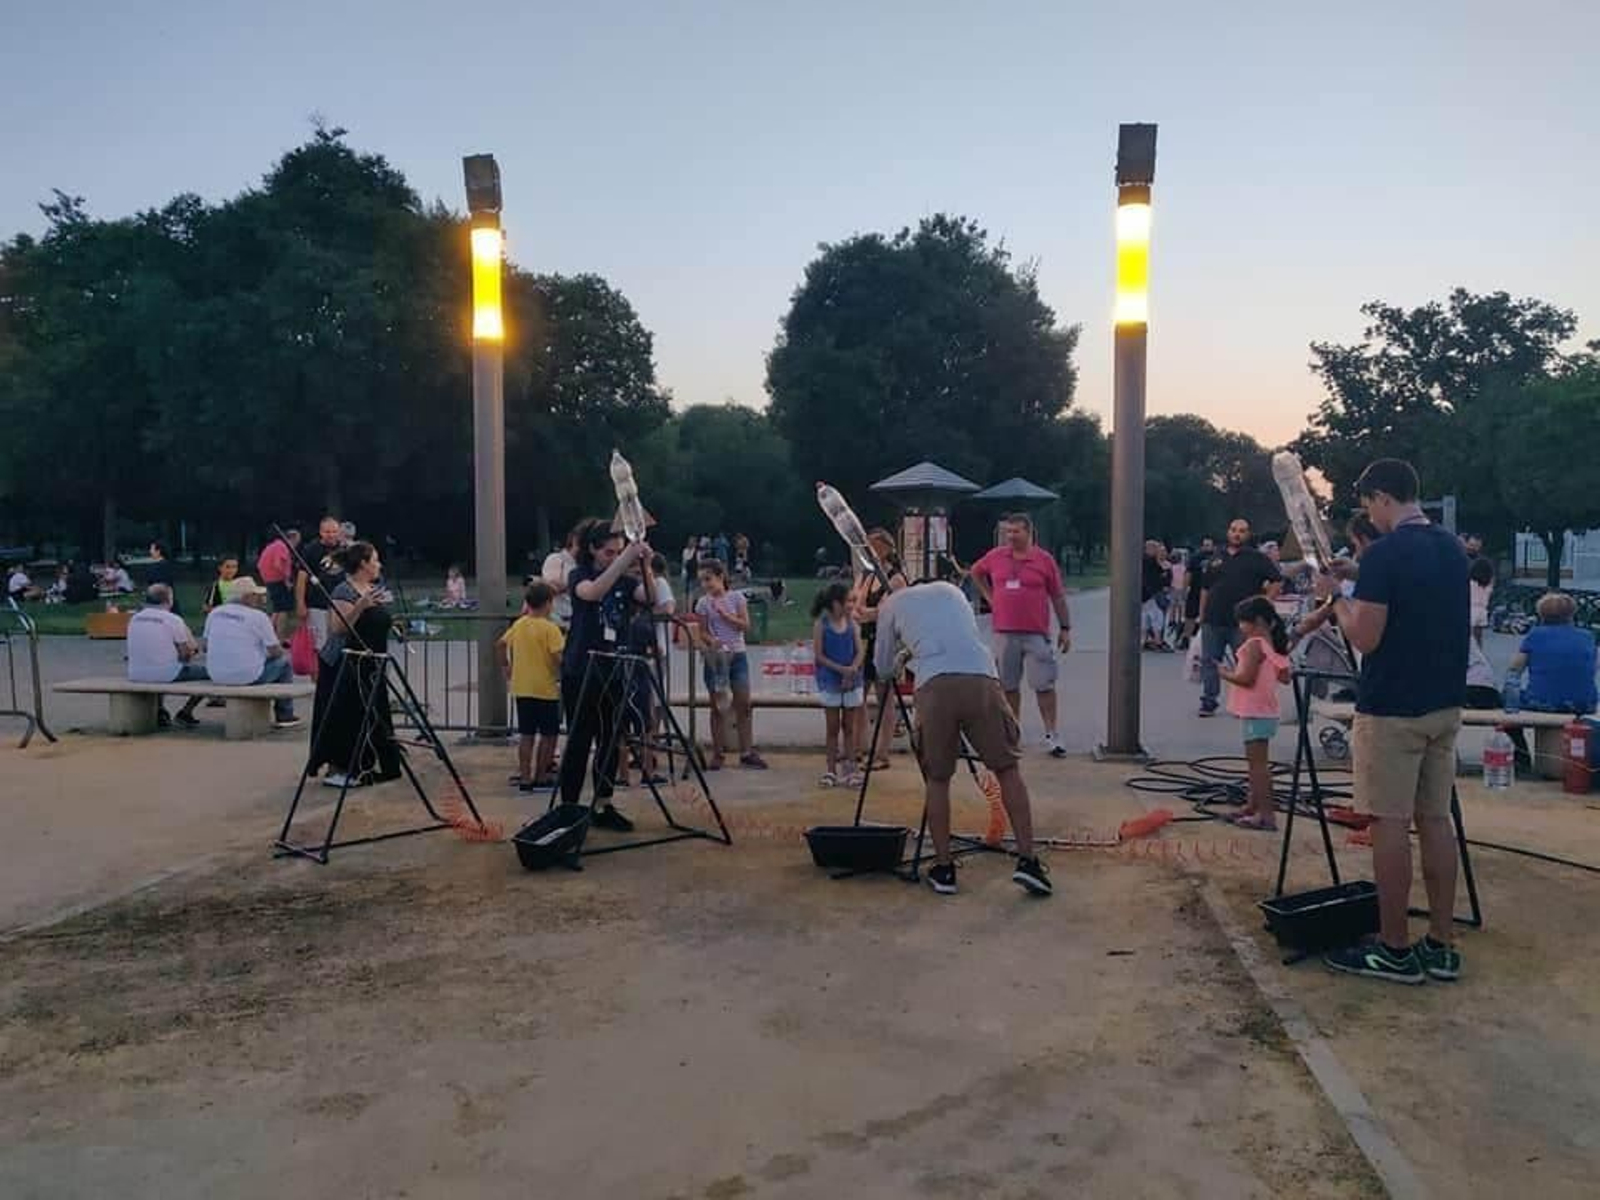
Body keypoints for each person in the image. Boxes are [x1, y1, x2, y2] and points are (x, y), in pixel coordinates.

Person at [1317, 459, 1467, 985]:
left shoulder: (1384, 553)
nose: (1370, 516)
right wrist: (1357, 575)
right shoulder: (1451, 546)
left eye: (1369, 505)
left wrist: (1335, 598)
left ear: (1382, 497)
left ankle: (1394, 948)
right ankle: (1442, 944)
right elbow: (1413, 589)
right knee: (1436, 821)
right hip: (1444, 705)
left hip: (1392, 709)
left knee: (1389, 823)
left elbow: (1365, 636)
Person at [874, 580, 1052, 898]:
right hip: (980, 675)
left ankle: (944, 868)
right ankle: (1028, 860)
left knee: (937, 778)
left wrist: (904, 655)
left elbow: (883, 668)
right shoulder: (951, 591)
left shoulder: (890, 605)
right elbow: (959, 634)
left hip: (934, 683)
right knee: (1007, 768)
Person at [557, 521, 656, 829]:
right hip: (581, 670)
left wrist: (645, 565)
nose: (614, 558)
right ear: (592, 549)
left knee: (611, 739)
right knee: (579, 739)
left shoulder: (625, 581)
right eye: (608, 553)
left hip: (614, 669)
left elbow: (650, 597)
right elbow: (593, 593)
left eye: (618, 552)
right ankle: (569, 808)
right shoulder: (579, 575)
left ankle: (603, 804)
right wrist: (626, 558)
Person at [969, 513, 1074, 757]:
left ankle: (1052, 734)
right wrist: (990, 597)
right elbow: (975, 572)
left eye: (1016, 531)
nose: (1011, 536)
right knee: (1008, 685)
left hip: (1035, 632)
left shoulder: (1043, 560)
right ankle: (1012, 732)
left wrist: (1065, 627)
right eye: (1008, 531)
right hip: (1005, 632)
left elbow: (1057, 595)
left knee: (1044, 684)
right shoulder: (996, 556)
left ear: (1028, 532)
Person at [307, 543, 399, 787]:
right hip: (343, 664)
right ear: (363, 564)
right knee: (345, 716)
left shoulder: (373, 588)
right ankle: (340, 767)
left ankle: (379, 760)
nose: (379, 565)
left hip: (371, 662)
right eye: (375, 560)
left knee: (374, 712)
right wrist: (361, 606)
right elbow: (337, 628)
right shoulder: (343, 590)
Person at [1219, 597, 1291, 831]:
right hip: (1267, 711)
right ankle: (1252, 806)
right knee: (1258, 764)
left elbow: (1246, 679)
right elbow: (1285, 676)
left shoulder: (1254, 645)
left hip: (1255, 711)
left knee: (1257, 767)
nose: (1240, 627)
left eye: (1243, 622)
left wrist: (1224, 673)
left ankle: (1266, 816)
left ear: (1256, 621)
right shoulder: (1273, 644)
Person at [1504, 592, 1598, 769]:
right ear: (1572, 613)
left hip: (1542, 702)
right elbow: (1593, 667)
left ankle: (1521, 755)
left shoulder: (1535, 635)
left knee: (1506, 703)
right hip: (1584, 703)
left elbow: (1514, 669)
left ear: (1542, 615)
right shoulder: (1587, 636)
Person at [1197, 519, 1280, 718]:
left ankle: (1245, 703)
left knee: (1245, 663)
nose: (1237, 534)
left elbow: (1277, 581)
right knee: (1210, 661)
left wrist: (1264, 602)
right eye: (1234, 530)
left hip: (1244, 623)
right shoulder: (1216, 557)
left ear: (1248, 535)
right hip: (1213, 619)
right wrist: (1202, 615)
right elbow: (1205, 588)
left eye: (1242, 531)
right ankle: (1209, 701)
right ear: (1228, 532)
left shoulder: (1257, 558)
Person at [693, 558, 767, 770]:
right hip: (717, 658)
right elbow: (702, 631)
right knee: (717, 706)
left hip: (737, 654)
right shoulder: (703, 603)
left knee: (743, 704)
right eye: (702, 580)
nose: (706, 584)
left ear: (720, 577)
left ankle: (746, 751)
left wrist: (726, 616)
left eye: (708, 579)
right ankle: (718, 752)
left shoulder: (736, 598)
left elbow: (745, 625)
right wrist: (711, 641)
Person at [204, 576, 302, 729]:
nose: (259, 598)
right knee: (284, 664)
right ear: (246, 597)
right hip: (247, 676)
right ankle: (285, 714)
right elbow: (276, 651)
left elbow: (206, 645)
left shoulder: (215, 612)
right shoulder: (258, 617)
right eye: (256, 595)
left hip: (216, 674)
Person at [850, 529, 910, 769]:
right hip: (866, 639)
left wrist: (869, 613)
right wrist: (865, 612)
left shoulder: (895, 578)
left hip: (885, 640)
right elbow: (857, 605)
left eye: (873, 547)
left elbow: (888, 610)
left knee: (885, 697)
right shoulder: (868, 575)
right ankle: (859, 746)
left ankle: (882, 753)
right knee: (858, 695)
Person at [500, 581, 565, 790]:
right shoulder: (551, 629)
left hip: (522, 688)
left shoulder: (519, 624)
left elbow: (501, 644)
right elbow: (557, 656)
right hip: (545, 688)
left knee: (526, 735)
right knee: (548, 735)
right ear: (548, 603)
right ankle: (541, 775)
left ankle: (525, 778)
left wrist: (506, 666)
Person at [127, 583, 207, 729]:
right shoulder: (173, 619)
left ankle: (160, 711)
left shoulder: (135, 618)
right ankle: (186, 712)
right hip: (166, 673)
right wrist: (191, 654)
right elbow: (184, 654)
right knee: (210, 673)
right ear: (169, 599)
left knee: (159, 663)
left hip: (135, 673)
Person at [812, 582, 865, 787]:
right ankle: (831, 770)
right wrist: (841, 669)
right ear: (836, 603)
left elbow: (859, 651)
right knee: (832, 728)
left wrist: (852, 669)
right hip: (830, 682)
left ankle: (851, 769)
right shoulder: (821, 625)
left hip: (852, 682)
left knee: (849, 727)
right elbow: (819, 655)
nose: (852, 605)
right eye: (849, 601)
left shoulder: (853, 624)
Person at [295, 517, 347, 652]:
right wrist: (300, 603)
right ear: (321, 532)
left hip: (340, 604)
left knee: (338, 642)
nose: (331, 535)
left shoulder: (345, 550)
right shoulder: (310, 549)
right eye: (327, 532)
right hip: (317, 603)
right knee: (320, 643)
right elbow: (302, 578)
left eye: (334, 532)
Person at [257, 528, 300, 637]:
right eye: (297, 541)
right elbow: (278, 564)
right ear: (293, 539)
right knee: (283, 609)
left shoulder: (273, 545)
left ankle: (269, 633)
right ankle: (280, 636)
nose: (296, 545)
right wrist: (286, 579)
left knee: (276, 609)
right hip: (277, 580)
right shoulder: (281, 547)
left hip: (269, 580)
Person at [542, 526, 581, 629]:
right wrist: (578, 586)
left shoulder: (585, 564)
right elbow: (552, 587)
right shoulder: (556, 559)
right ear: (574, 541)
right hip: (557, 622)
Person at [1181, 537, 1216, 646]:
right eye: (1204, 545)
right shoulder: (1195, 558)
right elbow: (1188, 574)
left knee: (1208, 616)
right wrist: (1184, 589)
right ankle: (1186, 638)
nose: (1206, 547)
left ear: (1213, 546)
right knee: (1190, 615)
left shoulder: (1217, 558)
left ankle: (1205, 639)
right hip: (1195, 589)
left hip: (1212, 591)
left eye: (1208, 545)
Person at [1140, 540, 1172, 651]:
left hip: (1147, 593)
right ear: (1149, 548)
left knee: (1146, 617)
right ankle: (1157, 641)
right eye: (1156, 548)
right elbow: (1158, 573)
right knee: (1157, 616)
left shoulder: (1145, 560)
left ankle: (1145, 640)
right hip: (1149, 593)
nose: (1157, 551)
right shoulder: (1149, 560)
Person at [145, 542, 179, 614]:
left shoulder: (160, 567)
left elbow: (168, 584)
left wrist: (170, 601)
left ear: (158, 551)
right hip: (160, 600)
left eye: (151, 549)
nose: (150, 551)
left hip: (160, 601)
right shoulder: (167, 565)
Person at [1468, 556, 1494, 647]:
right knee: (1478, 637)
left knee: (1469, 637)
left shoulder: (1471, 582)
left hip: (1471, 608)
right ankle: (1479, 653)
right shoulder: (1489, 584)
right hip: (1483, 610)